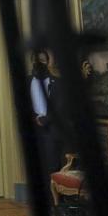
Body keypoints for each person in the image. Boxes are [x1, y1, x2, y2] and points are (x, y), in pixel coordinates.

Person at [30, 50, 62, 178]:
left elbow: (61, 108)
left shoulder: (58, 83)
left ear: (48, 62)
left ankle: (52, 197)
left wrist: (45, 119)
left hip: (51, 130)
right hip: (32, 130)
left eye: (42, 61)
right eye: (36, 61)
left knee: (51, 166)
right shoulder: (26, 81)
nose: (39, 64)